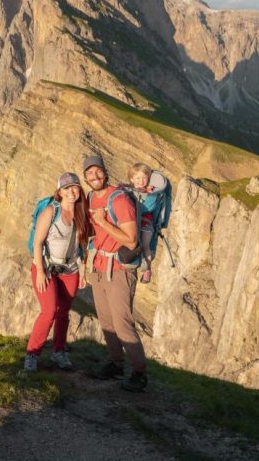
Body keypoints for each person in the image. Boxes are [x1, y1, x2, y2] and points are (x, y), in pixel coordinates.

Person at [83, 155, 148, 392]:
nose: (95, 177)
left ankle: (139, 373)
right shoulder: (92, 197)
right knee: (107, 321)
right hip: (99, 267)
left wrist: (103, 223)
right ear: (86, 178)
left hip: (119, 269)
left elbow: (131, 241)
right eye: (90, 174)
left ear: (105, 172)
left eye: (98, 172)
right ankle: (115, 363)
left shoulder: (118, 199)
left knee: (122, 323)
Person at [23, 172, 90, 373]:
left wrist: (84, 271)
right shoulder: (51, 211)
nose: (72, 192)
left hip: (70, 269)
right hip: (47, 269)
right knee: (49, 311)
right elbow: (38, 242)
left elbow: (84, 245)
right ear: (59, 192)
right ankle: (32, 354)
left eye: (75, 187)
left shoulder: (82, 212)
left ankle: (59, 351)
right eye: (67, 188)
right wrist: (41, 272)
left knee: (63, 313)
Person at [126, 162, 155, 284]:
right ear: (132, 179)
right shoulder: (129, 190)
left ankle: (147, 269)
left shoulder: (150, 193)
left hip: (145, 224)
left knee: (145, 245)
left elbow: (149, 206)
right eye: (137, 178)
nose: (141, 181)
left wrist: (146, 191)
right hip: (133, 222)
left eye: (144, 178)